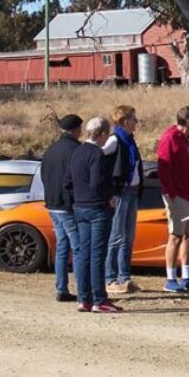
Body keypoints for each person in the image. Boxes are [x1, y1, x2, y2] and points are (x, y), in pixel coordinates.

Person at [64, 117, 123, 314]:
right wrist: (110, 196)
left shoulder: (77, 151)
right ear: (103, 134)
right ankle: (99, 299)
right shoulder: (97, 154)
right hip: (97, 208)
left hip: (80, 207)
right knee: (98, 254)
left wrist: (77, 198)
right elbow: (98, 182)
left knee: (83, 254)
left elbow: (68, 181)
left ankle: (84, 298)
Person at [157, 106, 189, 293]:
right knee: (176, 236)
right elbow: (164, 166)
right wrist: (170, 192)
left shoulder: (186, 140)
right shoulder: (170, 139)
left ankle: (187, 278)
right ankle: (170, 278)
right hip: (178, 196)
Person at [40, 114, 82, 302]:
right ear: (76, 129)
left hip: (52, 204)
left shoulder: (50, 150)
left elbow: (43, 176)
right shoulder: (76, 150)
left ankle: (61, 287)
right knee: (79, 247)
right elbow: (78, 179)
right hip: (68, 205)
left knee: (62, 246)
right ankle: (84, 290)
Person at [106, 105, 143, 294]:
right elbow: (101, 160)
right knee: (116, 236)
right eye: (133, 119)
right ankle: (110, 278)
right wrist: (110, 190)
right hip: (120, 192)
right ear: (124, 121)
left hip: (132, 191)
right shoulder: (115, 140)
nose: (136, 123)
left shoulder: (129, 140)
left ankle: (124, 277)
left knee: (129, 237)